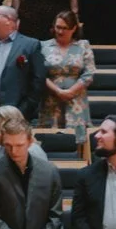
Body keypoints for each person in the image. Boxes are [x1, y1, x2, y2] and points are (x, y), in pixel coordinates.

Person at [0, 5, 44, 123]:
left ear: (9, 20)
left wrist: (23, 111)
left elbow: (38, 81)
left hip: (17, 113)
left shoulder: (30, 45)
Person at [36, 10, 95, 141]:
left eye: (65, 28)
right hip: (50, 99)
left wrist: (70, 92)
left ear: (74, 28)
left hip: (76, 99)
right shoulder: (43, 46)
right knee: (51, 140)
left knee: (76, 141)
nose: (60, 32)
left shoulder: (83, 45)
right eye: (58, 27)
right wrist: (58, 91)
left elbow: (89, 73)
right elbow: (39, 73)